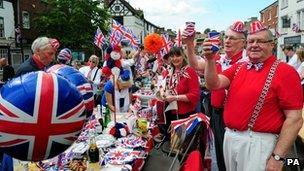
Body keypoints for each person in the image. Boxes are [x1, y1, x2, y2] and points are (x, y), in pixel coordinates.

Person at [203, 20, 303, 171]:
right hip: (230, 138)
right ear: (246, 44)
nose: (254, 45)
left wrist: (278, 157)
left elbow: (294, 119)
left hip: (258, 143)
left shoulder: (286, 72)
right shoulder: (239, 67)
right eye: (251, 41)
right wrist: (210, 60)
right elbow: (213, 84)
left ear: (272, 44)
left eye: (261, 41)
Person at [183, 21, 247, 171]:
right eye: (227, 37)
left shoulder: (247, 62)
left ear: (243, 43)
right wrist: (190, 44)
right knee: (220, 154)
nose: (227, 41)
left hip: (235, 116)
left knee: (235, 159)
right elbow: (195, 64)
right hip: (216, 113)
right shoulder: (219, 58)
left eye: (233, 38)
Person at [158, 47, 200, 140]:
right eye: (172, 56)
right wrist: (162, 93)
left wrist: (175, 97)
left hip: (184, 114)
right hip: (170, 112)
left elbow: (194, 95)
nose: (175, 58)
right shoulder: (169, 71)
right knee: (173, 143)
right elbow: (162, 86)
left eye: (178, 55)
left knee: (182, 143)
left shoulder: (190, 72)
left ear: (183, 56)